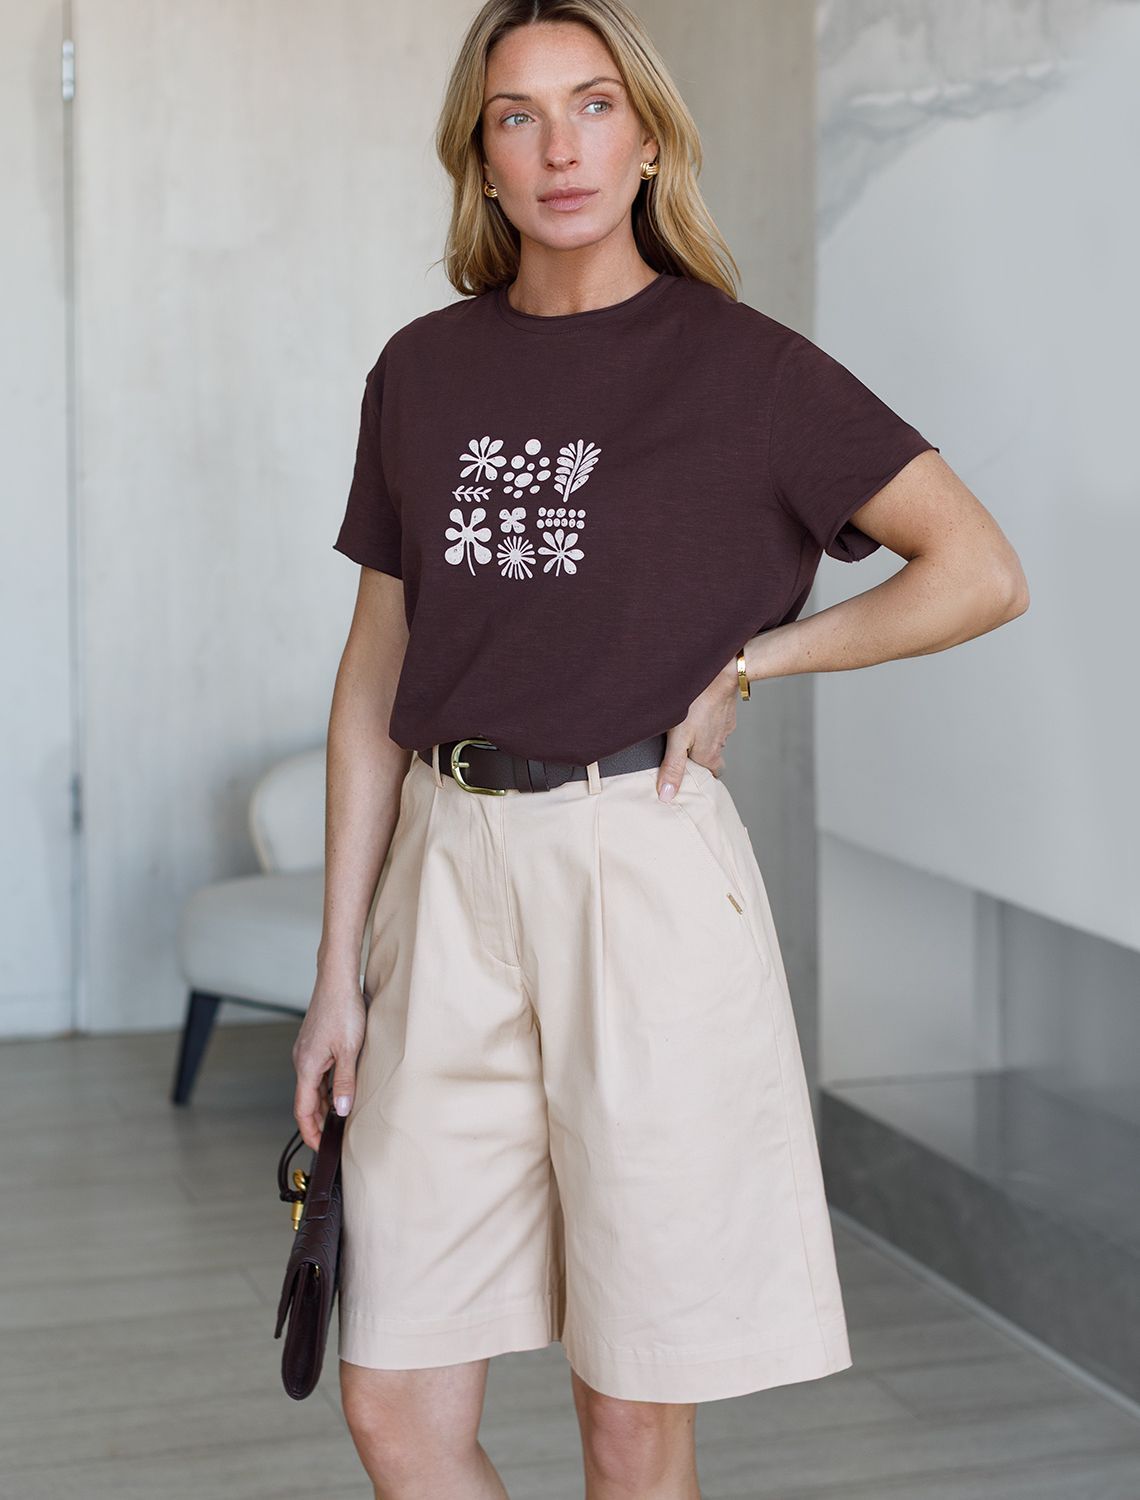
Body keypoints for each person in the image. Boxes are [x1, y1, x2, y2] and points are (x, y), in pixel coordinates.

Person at [292, 1, 1030, 1494]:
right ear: (480, 157)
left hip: (639, 866)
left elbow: (979, 569)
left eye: (594, 106)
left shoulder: (748, 370)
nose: (560, 147)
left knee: (630, 1413)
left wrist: (755, 658)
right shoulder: (422, 370)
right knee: (393, 1400)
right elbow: (376, 671)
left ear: (647, 141)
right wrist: (335, 974)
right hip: (444, 871)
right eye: (518, 116)